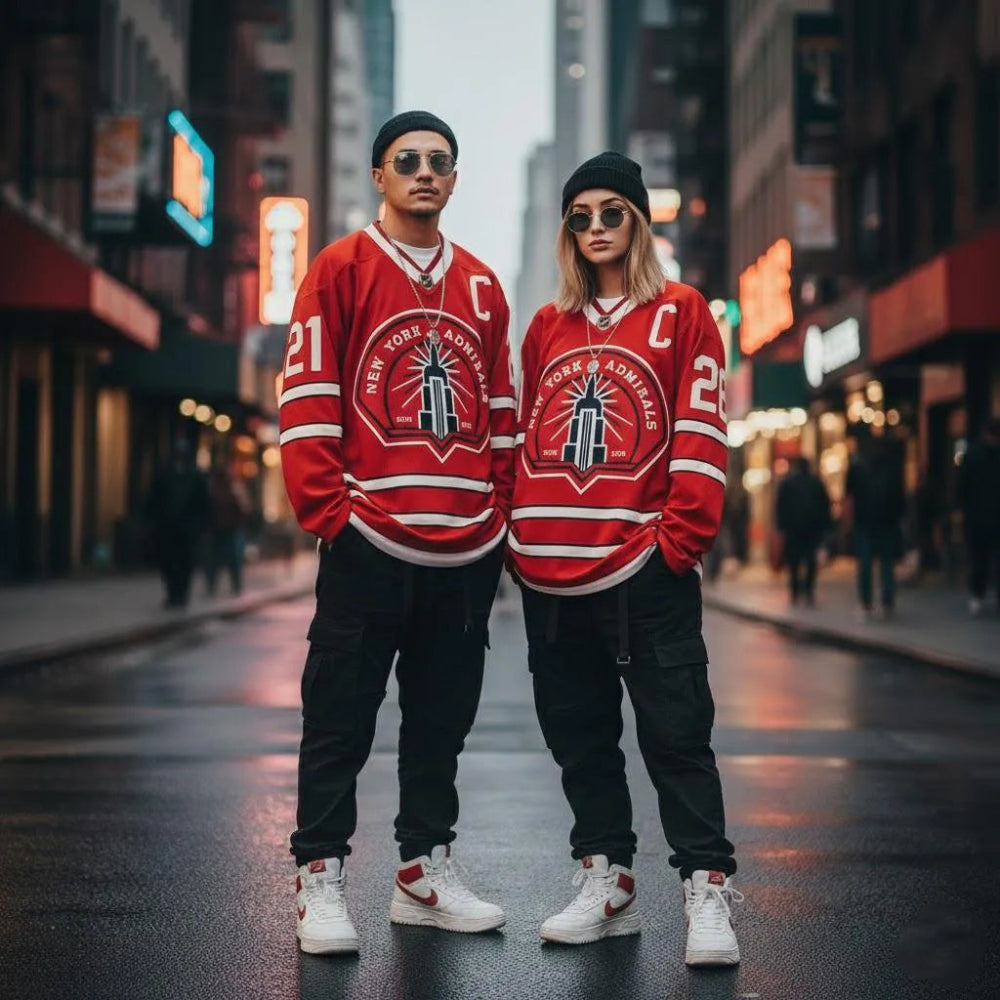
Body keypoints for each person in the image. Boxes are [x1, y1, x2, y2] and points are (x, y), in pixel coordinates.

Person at [278, 111, 515, 955]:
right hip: (368, 540)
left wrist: (497, 519)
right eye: (407, 160)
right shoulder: (338, 269)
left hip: (463, 551)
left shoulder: (484, 286)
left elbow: (502, 414)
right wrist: (330, 516)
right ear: (379, 175)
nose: (424, 171)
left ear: (454, 180)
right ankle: (320, 877)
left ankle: (423, 871)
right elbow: (308, 394)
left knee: (440, 720)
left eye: (439, 161)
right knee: (339, 715)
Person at [509, 152, 741, 966]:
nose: (597, 228)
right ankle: (606, 882)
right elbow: (530, 432)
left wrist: (675, 544)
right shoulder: (547, 325)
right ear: (568, 230)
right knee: (580, 738)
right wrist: (518, 535)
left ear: (638, 222)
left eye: (613, 212)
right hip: (549, 572)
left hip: (644, 568)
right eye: (582, 215)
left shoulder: (682, 312)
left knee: (677, 734)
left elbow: (703, 431)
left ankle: (706, 889)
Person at [845, 424, 905, 619]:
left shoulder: (857, 465)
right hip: (887, 521)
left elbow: (849, 497)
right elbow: (899, 495)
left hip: (865, 521)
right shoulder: (891, 464)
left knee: (865, 564)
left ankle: (866, 603)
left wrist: (849, 522)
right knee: (886, 563)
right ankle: (887, 601)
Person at [146, 436, 209, 609]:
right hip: (167, 528)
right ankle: (172, 594)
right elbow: (154, 499)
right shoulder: (164, 474)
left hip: (187, 529)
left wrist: (199, 526)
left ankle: (180, 595)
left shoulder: (195, 476)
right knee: (168, 562)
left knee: (185, 563)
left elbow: (203, 504)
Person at [775, 456, 831, 605]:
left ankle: (794, 590)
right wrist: (825, 527)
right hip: (812, 528)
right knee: (810, 560)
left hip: (793, 529)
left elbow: (781, 506)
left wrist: (781, 527)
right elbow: (825, 506)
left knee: (794, 561)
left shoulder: (788, 483)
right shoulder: (816, 483)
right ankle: (808, 590)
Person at [959, 417, 1000, 615]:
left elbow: (962, 487)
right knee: (983, 558)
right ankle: (978, 593)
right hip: (983, 516)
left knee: (979, 558)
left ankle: (978, 595)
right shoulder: (975, 455)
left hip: (977, 516)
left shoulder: (972, 454)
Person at [204, 466, 250, 596]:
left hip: (227, 532)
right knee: (221, 562)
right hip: (220, 532)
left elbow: (240, 513)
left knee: (228, 562)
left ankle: (232, 586)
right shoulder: (219, 495)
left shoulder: (226, 494)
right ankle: (224, 586)